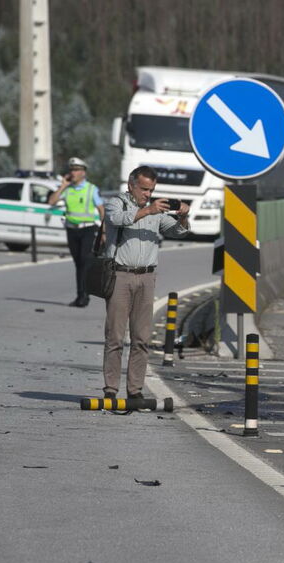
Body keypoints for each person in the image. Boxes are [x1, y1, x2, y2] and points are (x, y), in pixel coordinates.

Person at [102, 165, 190, 401]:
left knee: (141, 338)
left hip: (147, 277)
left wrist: (182, 216)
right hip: (120, 275)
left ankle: (135, 390)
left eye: (151, 190)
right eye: (144, 189)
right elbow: (116, 219)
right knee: (115, 337)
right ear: (131, 185)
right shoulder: (117, 203)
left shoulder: (156, 212)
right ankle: (111, 388)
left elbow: (177, 231)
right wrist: (147, 210)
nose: (148, 195)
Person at [48, 157, 104, 307]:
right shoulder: (68, 189)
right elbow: (51, 202)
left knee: (84, 261)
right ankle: (80, 295)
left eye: (76, 169)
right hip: (72, 230)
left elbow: (101, 209)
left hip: (87, 229)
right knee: (78, 263)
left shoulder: (91, 189)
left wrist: (104, 230)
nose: (72, 172)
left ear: (83, 172)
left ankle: (85, 296)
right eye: (71, 169)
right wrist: (62, 186)